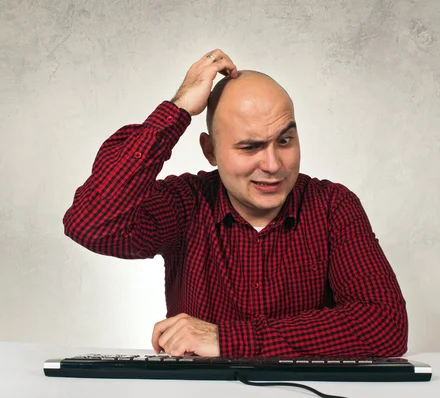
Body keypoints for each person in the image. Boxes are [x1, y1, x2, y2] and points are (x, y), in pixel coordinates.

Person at [63, 49, 408, 358]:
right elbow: (91, 222)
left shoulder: (333, 207)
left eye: (285, 140)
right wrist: (178, 108)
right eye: (249, 147)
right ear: (210, 150)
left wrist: (226, 339)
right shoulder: (186, 203)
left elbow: (385, 326)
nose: (273, 165)